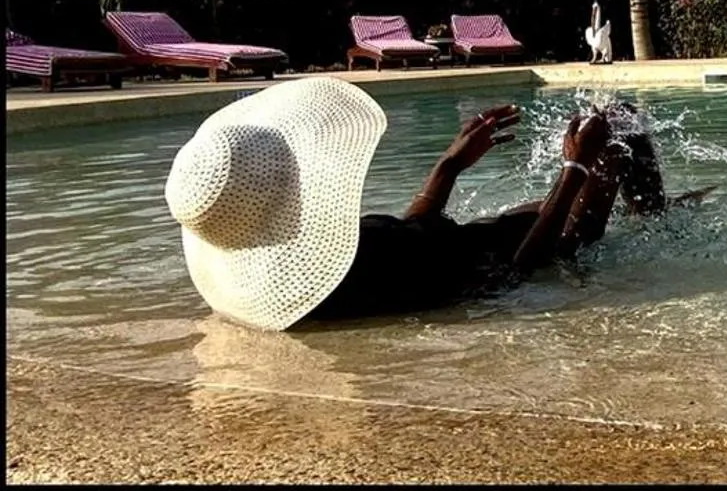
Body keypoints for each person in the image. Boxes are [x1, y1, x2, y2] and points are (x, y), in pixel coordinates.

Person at [162, 77, 692, 332]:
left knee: (609, 132)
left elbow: (413, 230)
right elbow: (514, 274)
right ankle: (655, 218)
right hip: (553, 243)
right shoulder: (361, 273)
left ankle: (650, 213)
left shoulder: (321, 256)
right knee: (619, 122)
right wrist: (573, 169)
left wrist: (449, 166)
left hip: (493, 231)